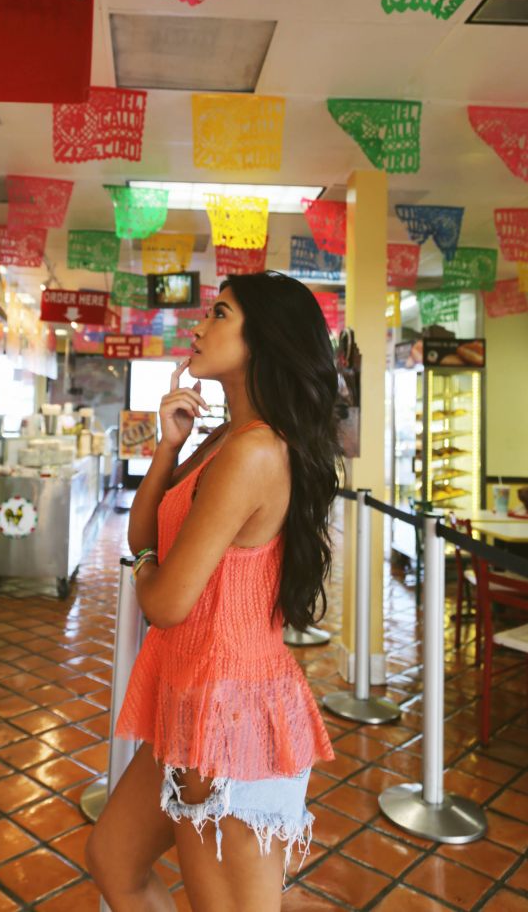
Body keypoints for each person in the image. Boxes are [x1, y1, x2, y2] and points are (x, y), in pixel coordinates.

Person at [87, 272, 341, 912]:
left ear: (264, 339)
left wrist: (148, 569)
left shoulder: (255, 451)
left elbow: (165, 602)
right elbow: (146, 533)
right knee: (114, 860)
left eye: (219, 314)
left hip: (230, 712)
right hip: (194, 700)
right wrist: (169, 447)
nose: (198, 327)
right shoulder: (227, 437)